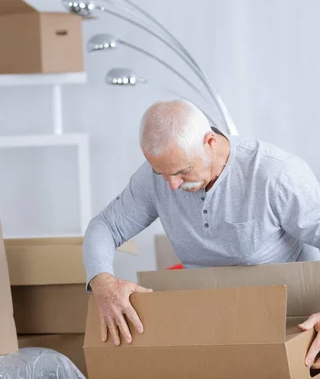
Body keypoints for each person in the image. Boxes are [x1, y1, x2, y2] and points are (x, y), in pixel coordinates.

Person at [82, 99, 320, 367]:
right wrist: (103, 282)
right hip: (213, 321)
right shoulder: (157, 179)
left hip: (291, 323)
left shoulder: (277, 174)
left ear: (210, 142)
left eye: (183, 172)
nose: (172, 185)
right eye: (161, 173)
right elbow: (104, 226)